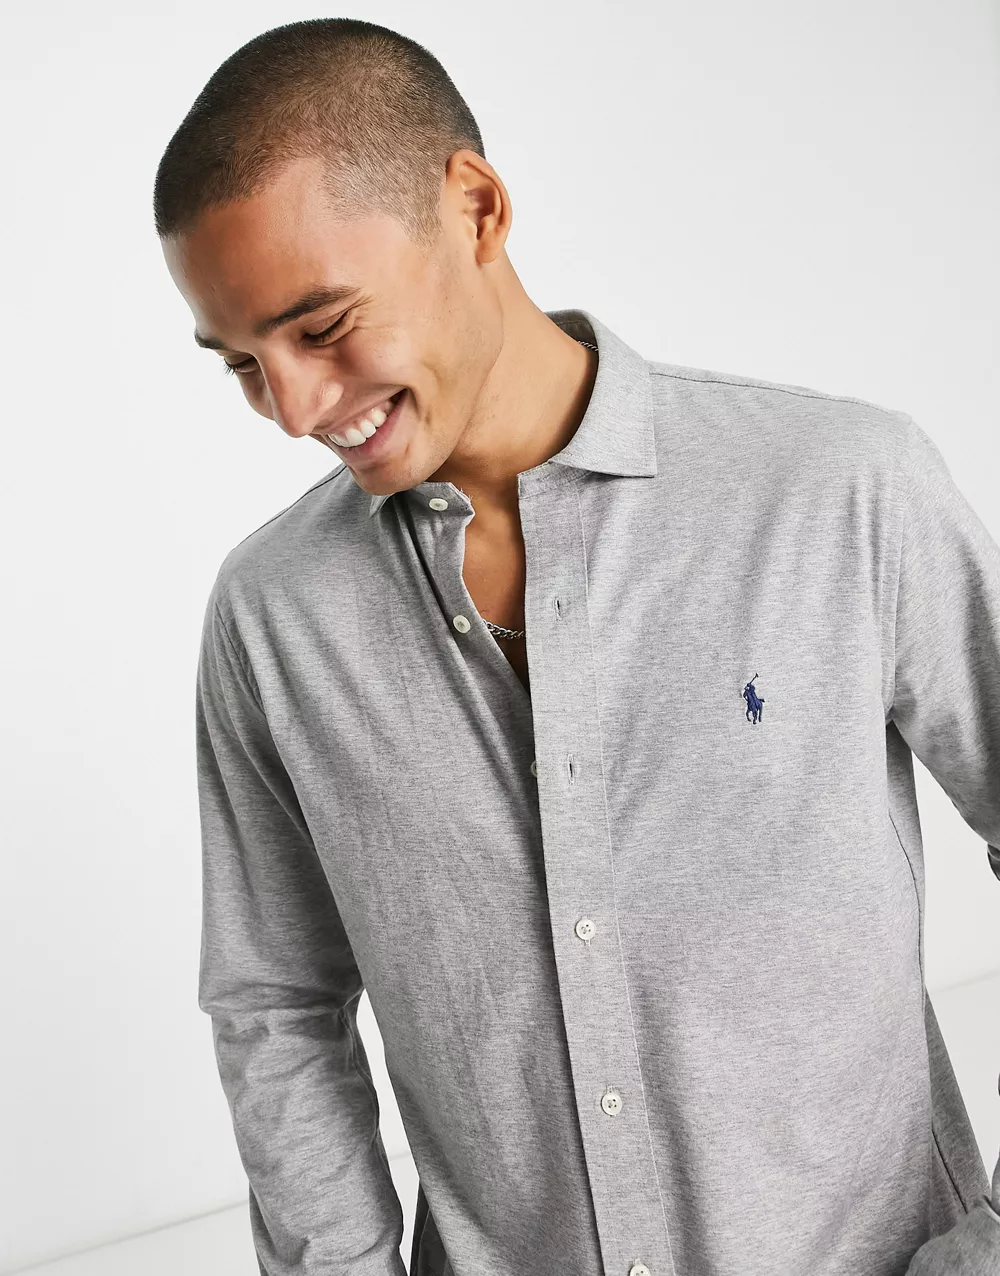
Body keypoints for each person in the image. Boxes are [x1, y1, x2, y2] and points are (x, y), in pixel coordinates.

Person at [154, 17, 1000, 1276]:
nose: (290, 408)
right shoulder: (272, 617)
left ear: (476, 208)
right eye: (241, 364)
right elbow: (275, 1002)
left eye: (320, 326)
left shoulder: (837, 489)